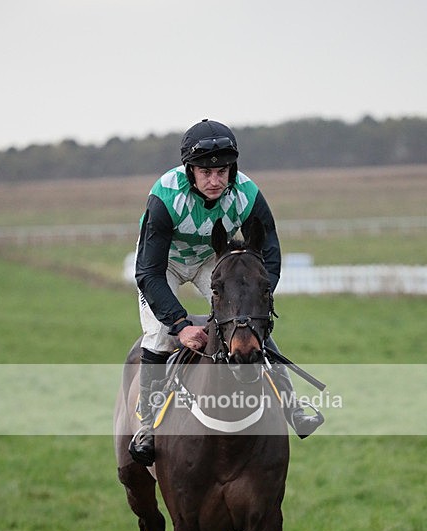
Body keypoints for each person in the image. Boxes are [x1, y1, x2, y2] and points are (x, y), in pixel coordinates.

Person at [129, 119, 322, 465]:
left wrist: (257, 299)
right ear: (190, 170)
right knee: (158, 335)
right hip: (164, 265)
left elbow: (270, 257)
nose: (216, 180)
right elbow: (148, 272)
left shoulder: (247, 193)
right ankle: (147, 425)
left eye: (223, 171)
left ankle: (293, 408)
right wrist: (180, 325)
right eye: (206, 172)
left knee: (249, 325)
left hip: (210, 261)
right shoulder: (165, 196)